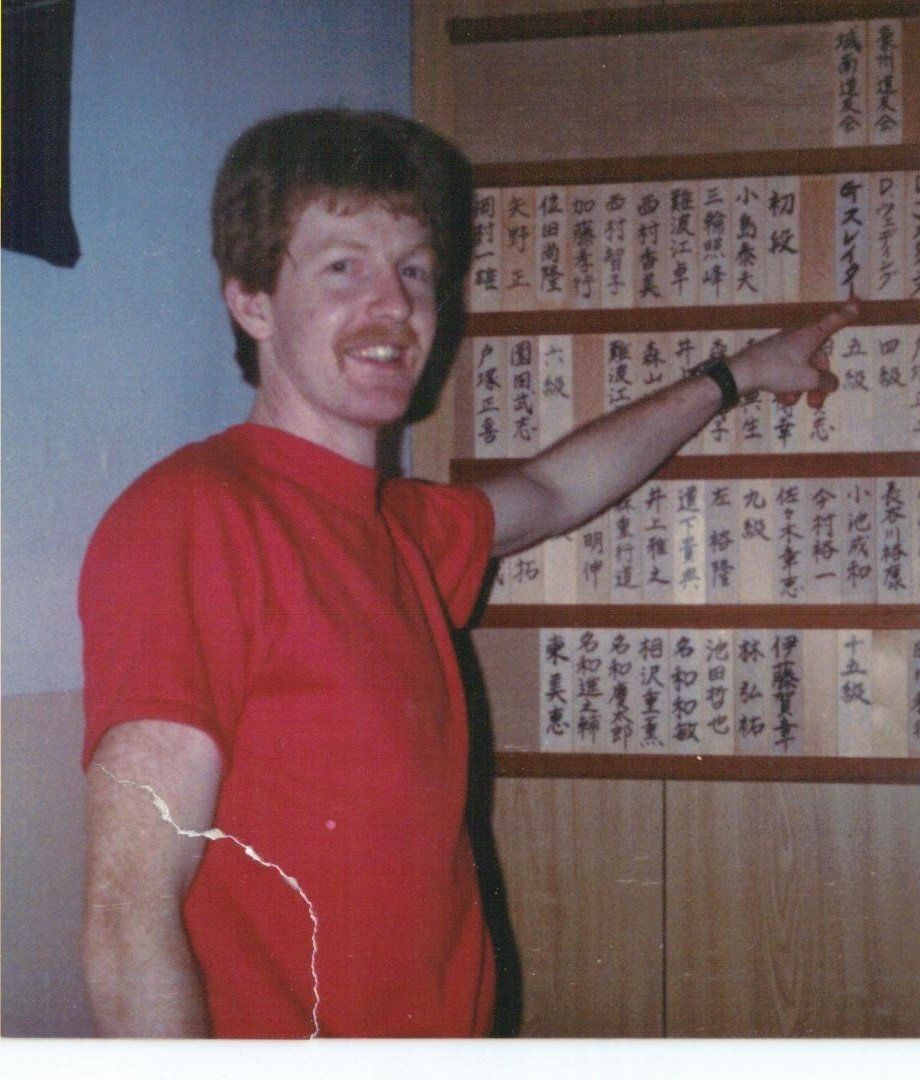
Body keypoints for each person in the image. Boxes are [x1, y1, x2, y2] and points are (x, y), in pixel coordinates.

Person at [79, 108, 859, 1038]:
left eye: (414, 271)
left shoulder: (399, 524)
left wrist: (737, 376)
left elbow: (556, 488)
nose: (394, 306)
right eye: (344, 268)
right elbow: (128, 920)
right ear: (251, 301)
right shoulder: (197, 517)